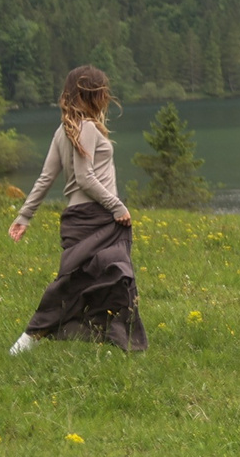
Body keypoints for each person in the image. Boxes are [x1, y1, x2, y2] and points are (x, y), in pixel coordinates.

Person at [8, 65, 146, 354]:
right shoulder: (85, 129)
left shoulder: (64, 131)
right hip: (97, 218)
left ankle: (110, 341)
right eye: (103, 93)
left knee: (100, 280)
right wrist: (117, 206)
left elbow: (46, 178)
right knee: (101, 279)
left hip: (80, 219)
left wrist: (25, 216)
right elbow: (85, 178)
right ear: (94, 95)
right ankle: (30, 338)